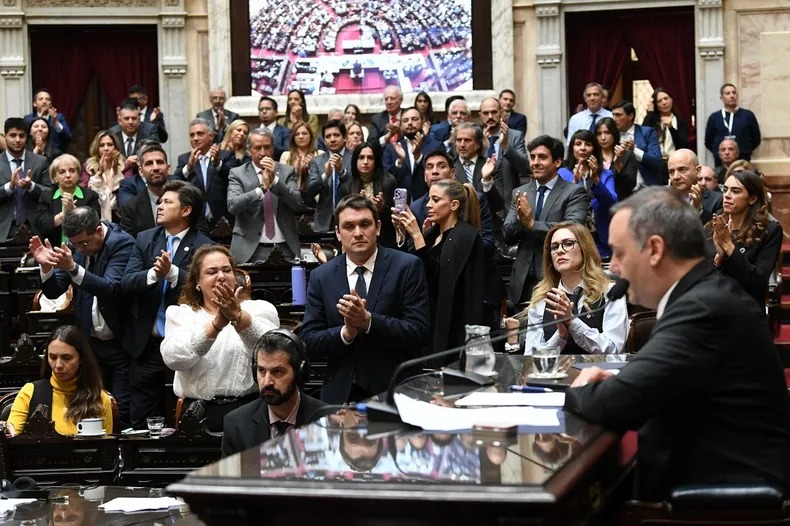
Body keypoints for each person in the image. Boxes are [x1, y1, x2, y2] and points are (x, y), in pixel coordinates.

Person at [564, 186, 790, 501]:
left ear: (655, 249)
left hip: (720, 502)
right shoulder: (702, 293)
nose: (613, 268)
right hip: (706, 479)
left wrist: (578, 388)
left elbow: (614, 404)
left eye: (619, 253)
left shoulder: (701, 310)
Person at [301, 194, 430, 403]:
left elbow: (419, 331)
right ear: (338, 233)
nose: (358, 233)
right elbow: (309, 341)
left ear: (378, 227)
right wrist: (346, 333)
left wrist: (369, 322)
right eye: (349, 226)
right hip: (341, 396)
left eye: (365, 224)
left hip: (396, 393)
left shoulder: (407, 266)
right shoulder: (321, 276)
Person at [120, 180, 213, 429]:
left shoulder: (204, 246)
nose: (159, 205)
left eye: (167, 202)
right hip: (146, 344)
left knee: (184, 415)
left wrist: (173, 273)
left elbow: (204, 289)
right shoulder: (144, 239)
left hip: (184, 346)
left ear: (186, 210)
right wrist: (153, 275)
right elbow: (126, 282)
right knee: (140, 418)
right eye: (160, 201)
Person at [32, 207, 134, 428]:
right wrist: (46, 267)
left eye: (84, 243)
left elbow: (109, 288)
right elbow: (54, 290)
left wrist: (73, 267)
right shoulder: (75, 246)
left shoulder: (122, 243)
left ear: (98, 230)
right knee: (91, 410)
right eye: (74, 244)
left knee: (120, 413)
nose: (79, 248)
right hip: (90, 344)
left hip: (121, 343)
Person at [161, 245, 280, 430]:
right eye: (212, 272)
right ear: (197, 282)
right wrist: (216, 324)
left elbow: (273, 351)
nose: (221, 276)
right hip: (197, 413)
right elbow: (174, 359)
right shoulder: (181, 315)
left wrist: (239, 318)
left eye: (227, 270)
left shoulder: (259, 309)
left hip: (250, 410)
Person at [505, 223, 628, 355]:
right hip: (556, 374)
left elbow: (614, 350)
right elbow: (532, 359)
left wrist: (572, 322)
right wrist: (560, 337)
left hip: (599, 374)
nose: (560, 251)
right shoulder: (542, 300)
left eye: (568, 244)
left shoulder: (610, 293)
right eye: (554, 247)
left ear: (584, 248)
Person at [395, 179, 485, 354]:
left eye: (436, 200)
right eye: (429, 199)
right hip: (427, 317)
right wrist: (403, 232)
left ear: (454, 205)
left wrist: (417, 235)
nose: (428, 205)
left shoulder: (464, 235)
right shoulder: (433, 233)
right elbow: (415, 267)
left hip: (452, 326)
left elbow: (441, 280)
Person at [503, 135, 590, 306]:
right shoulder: (521, 192)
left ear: (557, 162)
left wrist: (532, 225)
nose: (535, 162)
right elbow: (507, 235)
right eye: (533, 157)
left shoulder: (573, 192)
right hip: (522, 281)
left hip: (556, 278)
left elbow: (575, 230)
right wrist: (520, 221)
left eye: (542, 157)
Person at [221, 329, 327, 457]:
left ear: (299, 373)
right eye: (261, 371)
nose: (267, 382)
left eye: (278, 372)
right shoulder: (236, 424)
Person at [7, 325, 114, 437]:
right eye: (52, 357)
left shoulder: (100, 399)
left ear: (81, 358)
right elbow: (13, 435)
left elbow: (105, 449)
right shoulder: (30, 392)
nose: (58, 365)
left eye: (66, 358)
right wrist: (9, 430)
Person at [706, 169, 782, 305]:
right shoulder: (712, 226)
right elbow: (700, 279)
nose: (727, 196)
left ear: (752, 198)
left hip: (746, 308)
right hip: (712, 306)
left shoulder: (769, 231)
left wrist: (729, 247)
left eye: (735, 191)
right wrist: (718, 259)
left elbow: (756, 283)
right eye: (725, 189)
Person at [227, 127, 302, 263]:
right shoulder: (237, 173)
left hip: (286, 247)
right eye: (257, 148)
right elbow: (233, 206)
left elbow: (296, 203)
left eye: (267, 147)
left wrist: (275, 181)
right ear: (249, 150)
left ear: (273, 148)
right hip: (249, 249)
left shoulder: (287, 171)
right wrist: (261, 189)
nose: (263, 153)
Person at [559, 129, 617, 258]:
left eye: (588, 144)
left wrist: (596, 179)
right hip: (572, 238)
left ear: (594, 149)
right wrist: (574, 182)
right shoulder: (562, 174)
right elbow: (558, 205)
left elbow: (612, 203)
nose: (583, 148)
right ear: (572, 148)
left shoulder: (606, 174)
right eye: (578, 144)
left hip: (601, 240)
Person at [173, 118, 231, 231]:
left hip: (223, 218)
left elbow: (232, 178)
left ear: (211, 136)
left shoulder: (225, 156)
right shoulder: (184, 159)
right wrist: (189, 167)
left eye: (200, 134)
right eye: (192, 135)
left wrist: (218, 163)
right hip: (196, 219)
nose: (195, 138)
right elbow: (175, 183)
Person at [0, 117, 51, 240]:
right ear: (5, 136)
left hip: (35, 228)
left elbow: (50, 194)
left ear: (26, 137)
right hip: (4, 229)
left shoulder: (41, 162)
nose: (17, 140)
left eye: (21, 136)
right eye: (13, 135)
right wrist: (10, 186)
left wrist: (31, 186)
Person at [32, 154, 100, 244]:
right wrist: (63, 215)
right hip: (53, 250)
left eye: (72, 171)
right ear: (55, 177)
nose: (68, 175)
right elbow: (42, 225)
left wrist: (74, 213)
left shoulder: (90, 196)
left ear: (78, 174)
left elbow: (94, 224)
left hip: (84, 249)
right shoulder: (47, 196)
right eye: (62, 172)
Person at [340, 143, 397, 248]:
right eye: (361, 158)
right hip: (357, 238)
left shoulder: (388, 182)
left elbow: (397, 219)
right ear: (355, 161)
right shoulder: (347, 187)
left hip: (385, 239)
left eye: (370, 158)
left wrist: (382, 209)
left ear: (376, 161)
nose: (365, 162)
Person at [382, 107, 444, 200]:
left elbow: (441, 176)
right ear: (401, 125)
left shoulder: (436, 146)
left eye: (414, 119)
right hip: (400, 204)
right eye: (405, 120)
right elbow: (386, 179)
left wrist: (419, 158)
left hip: (429, 201)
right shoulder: (392, 148)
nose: (410, 123)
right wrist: (399, 162)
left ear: (422, 122)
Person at [307, 119, 352, 233]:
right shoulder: (316, 162)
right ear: (324, 140)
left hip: (351, 217)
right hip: (324, 221)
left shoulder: (355, 158)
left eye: (336, 135)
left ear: (345, 137)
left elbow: (356, 185)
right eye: (328, 136)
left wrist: (341, 172)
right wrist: (325, 175)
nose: (332, 139)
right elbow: (310, 191)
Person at [642, 88, 691, 184]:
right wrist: (650, 112)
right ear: (656, 105)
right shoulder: (652, 120)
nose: (664, 103)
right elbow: (644, 137)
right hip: (656, 163)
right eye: (659, 101)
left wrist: (671, 128)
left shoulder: (681, 122)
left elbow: (683, 144)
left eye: (666, 98)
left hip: (675, 163)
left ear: (671, 99)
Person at [119, 143, 169, 238]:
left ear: (168, 168)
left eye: (159, 162)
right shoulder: (131, 208)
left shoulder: (186, 198)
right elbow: (126, 243)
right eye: (149, 163)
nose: (155, 168)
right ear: (141, 171)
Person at [705, 83, 761, 166]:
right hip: (721, 163)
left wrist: (745, 150)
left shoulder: (748, 115)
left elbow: (756, 138)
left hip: (743, 160)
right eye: (728, 93)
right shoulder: (714, 117)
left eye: (734, 93)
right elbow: (708, 141)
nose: (732, 95)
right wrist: (720, 152)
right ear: (722, 98)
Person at [612, 100, 663, 186]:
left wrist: (634, 150)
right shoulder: (611, 135)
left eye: (618, 115)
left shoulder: (647, 133)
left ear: (630, 116)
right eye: (613, 115)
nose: (614, 119)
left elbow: (656, 161)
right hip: (622, 189)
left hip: (647, 188)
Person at [80, 131, 128, 221]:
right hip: (95, 216)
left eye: (110, 144)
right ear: (97, 148)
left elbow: (125, 193)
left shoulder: (124, 166)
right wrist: (99, 173)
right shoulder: (88, 167)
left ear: (116, 147)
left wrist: (115, 171)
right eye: (102, 145)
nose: (106, 148)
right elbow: (85, 192)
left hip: (119, 217)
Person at [667, 149, 722, 224]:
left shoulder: (717, 200)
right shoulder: (664, 202)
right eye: (671, 172)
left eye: (682, 169)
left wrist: (698, 210)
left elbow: (715, 232)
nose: (676, 177)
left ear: (698, 171)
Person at [279, 120, 322, 209]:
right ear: (293, 138)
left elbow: (323, 181)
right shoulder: (286, 156)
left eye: (304, 133)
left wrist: (311, 168)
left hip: (316, 201)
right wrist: (294, 170)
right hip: (293, 202)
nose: (301, 136)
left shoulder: (320, 154)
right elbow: (282, 183)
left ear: (310, 136)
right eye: (297, 134)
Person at [594, 117, 637, 201]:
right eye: (599, 134)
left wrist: (618, 165)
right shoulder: (593, 156)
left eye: (607, 133)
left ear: (614, 134)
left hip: (621, 204)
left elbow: (630, 185)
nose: (603, 138)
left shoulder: (627, 155)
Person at [565, 83, 612, 147]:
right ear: (585, 99)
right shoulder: (575, 119)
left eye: (596, 94)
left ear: (602, 97)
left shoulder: (611, 117)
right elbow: (570, 144)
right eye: (588, 95)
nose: (592, 98)